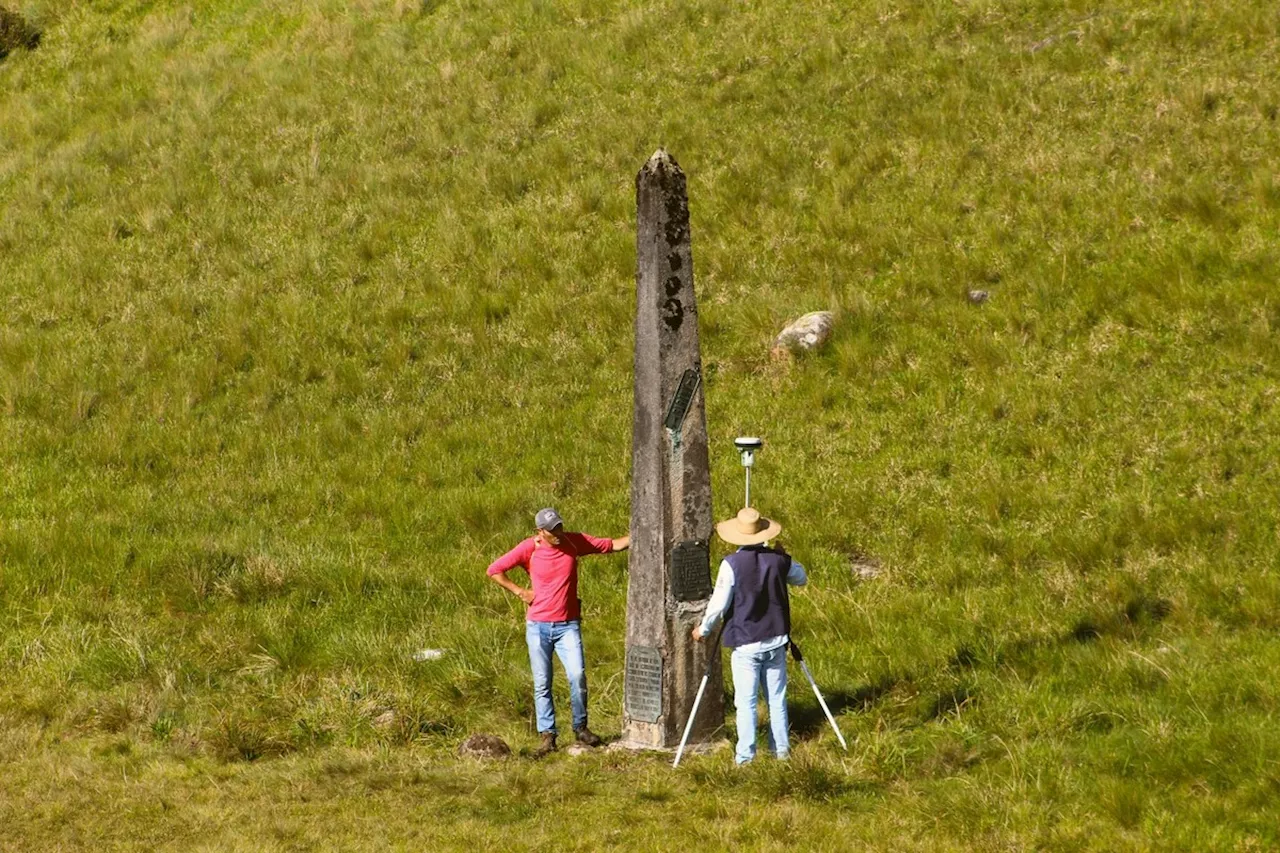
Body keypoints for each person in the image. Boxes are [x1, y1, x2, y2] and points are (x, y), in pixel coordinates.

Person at [487, 507, 629, 757]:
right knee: (543, 682)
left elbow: (613, 545)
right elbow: (494, 570)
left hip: (568, 625)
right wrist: (521, 592)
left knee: (577, 675)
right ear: (540, 532)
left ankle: (581, 727)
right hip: (538, 626)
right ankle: (548, 736)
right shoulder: (528, 548)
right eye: (552, 530)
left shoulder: (574, 542)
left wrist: (643, 532)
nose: (558, 533)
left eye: (560, 527)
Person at [691, 507, 807, 764]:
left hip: (746, 644)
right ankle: (782, 754)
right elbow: (801, 578)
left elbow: (719, 605)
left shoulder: (731, 564)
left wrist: (703, 629)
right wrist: (784, 556)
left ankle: (745, 758)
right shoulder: (778, 560)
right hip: (776, 640)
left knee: (746, 704)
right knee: (777, 700)